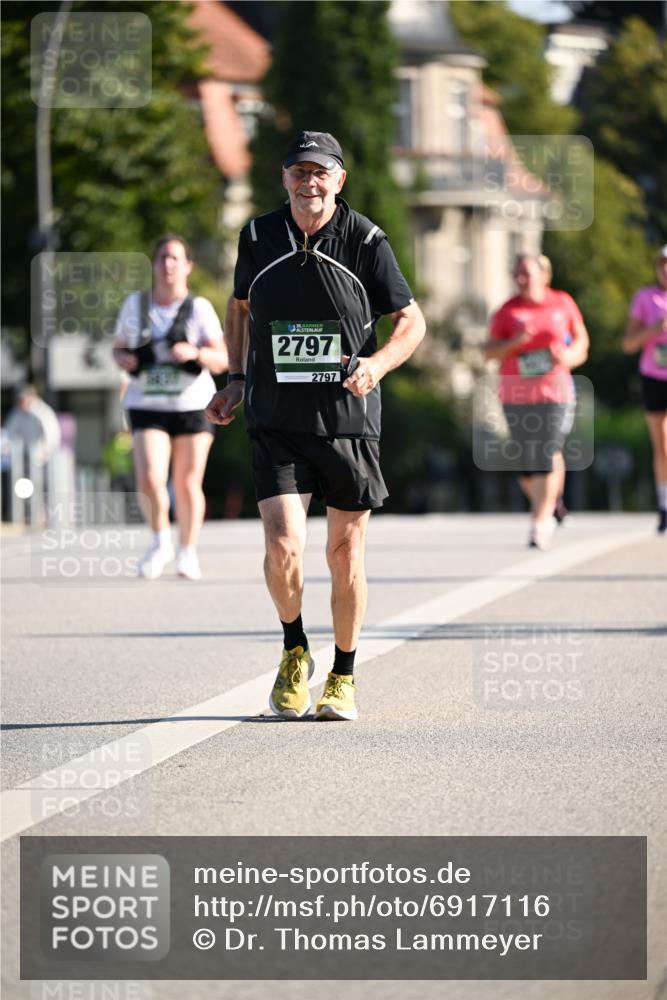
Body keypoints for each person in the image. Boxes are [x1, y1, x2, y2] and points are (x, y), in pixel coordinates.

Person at [206, 130, 425, 721]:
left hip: (348, 419)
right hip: (277, 417)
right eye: (299, 172)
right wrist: (235, 379)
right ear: (284, 178)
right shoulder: (258, 237)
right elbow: (240, 307)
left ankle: (344, 674)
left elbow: (412, 321)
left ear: (339, 180)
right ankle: (294, 648)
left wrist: (377, 365)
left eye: (320, 172)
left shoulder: (366, 240)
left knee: (344, 552)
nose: (310, 182)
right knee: (282, 544)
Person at [112, 235, 228, 579]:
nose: (168, 264)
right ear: (154, 264)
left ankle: (187, 551)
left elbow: (222, 360)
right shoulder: (135, 306)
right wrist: (125, 359)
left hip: (192, 405)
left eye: (175, 258)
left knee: (187, 482)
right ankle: (160, 540)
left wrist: (195, 353)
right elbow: (117, 349)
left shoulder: (199, 308)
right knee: (149, 477)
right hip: (146, 403)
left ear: (188, 266)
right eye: (162, 257)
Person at [484, 253, 589, 550]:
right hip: (515, 394)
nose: (520, 279)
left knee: (547, 449)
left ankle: (539, 524)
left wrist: (567, 356)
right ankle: (552, 502)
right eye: (517, 274)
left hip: (555, 391)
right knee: (527, 463)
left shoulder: (562, 303)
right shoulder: (507, 311)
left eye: (526, 273)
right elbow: (489, 352)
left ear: (544, 275)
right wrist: (514, 342)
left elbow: (582, 342)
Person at [623, 244, 667, 533]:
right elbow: (628, 344)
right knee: (662, 444)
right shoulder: (645, 297)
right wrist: (652, 330)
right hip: (654, 376)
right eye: (662, 264)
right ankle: (664, 505)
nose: (666, 269)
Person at [4, 383, 61, 465]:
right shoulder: (16, 413)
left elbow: (52, 434)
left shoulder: (44, 412)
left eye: (24, 398)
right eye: (19, 399)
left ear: (31, 397)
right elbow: (8, 433)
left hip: (41, 457)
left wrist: (47, 450)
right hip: (22, 457)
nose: (21, 401)